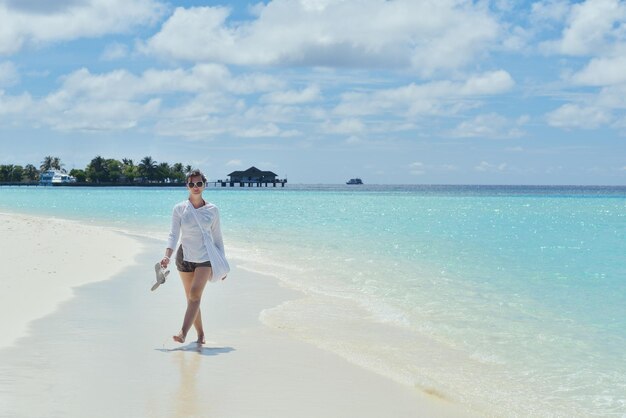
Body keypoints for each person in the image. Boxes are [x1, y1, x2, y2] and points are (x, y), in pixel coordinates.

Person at [160, 169, 229, 344]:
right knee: (191, 298)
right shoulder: (179, 209)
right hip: (184, 258)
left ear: (204, 185)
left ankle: (182, 333)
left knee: (195, 295)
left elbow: (218, 238)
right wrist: (167, 255)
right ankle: (200, 334)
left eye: (199, 183)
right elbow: (173, 235)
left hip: (205, 258)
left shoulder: (213, 210)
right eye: (192, 184)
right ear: (187, 186)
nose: (195, 187)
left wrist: (222, 264)